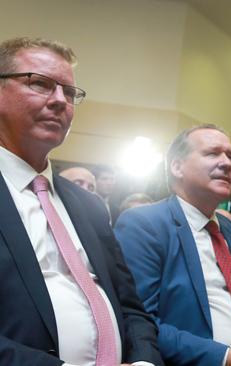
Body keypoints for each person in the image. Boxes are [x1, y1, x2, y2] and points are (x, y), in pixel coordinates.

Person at [0, 37, 162, 365]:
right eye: (41, 84)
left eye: (70, 92)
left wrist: (144, 361)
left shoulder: (87, 205)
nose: (60, 101)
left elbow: (131, 307)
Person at [115, 124, 231, 366]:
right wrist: (226, 357)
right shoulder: (144, 224)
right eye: (212, 153)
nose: (227, 163)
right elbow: (139, 322)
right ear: (177, 166)